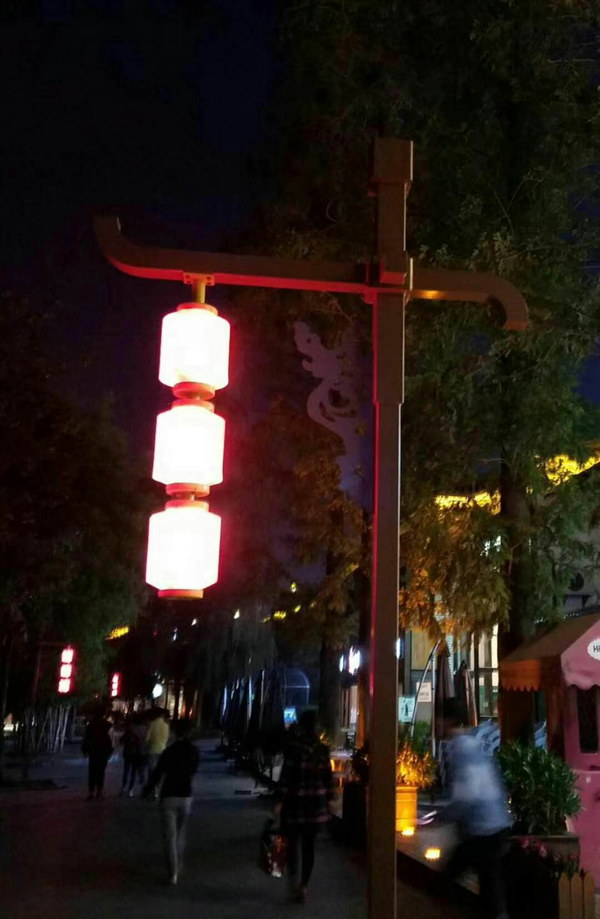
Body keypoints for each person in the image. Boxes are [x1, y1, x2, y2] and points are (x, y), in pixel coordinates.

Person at [442, 698, 511, 919]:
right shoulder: (474, 744)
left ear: (446, 720)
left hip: (481, 828)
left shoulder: (458, 748)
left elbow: (466, 793)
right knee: (490, 888)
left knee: (454, 879)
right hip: (495, 823)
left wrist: (444, 815)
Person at [275, 709, 333, 903]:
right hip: (315, 806)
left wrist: (279, 801)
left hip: (295, 804)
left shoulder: (293, 749)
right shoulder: (322, 750)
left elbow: (286, 777)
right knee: (309, 847)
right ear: (316, 727)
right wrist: (328, 799)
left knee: (292, 845)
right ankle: (304, 885)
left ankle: (293, 880)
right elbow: (327, 779)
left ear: (301, 726)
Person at [144, 718, 200, 885]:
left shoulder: (169, 751)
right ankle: (179, 863)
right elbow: (194, 770)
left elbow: (158, 772)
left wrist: (147, 789)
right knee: (180, 833)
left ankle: (172, 873)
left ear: (175, 732)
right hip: (186, 795)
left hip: (168, 795)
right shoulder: (194, 751)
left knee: (170, 836)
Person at [82, 707, 114, 800]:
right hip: (103, 751)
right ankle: (99, 791)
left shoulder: (91, 724)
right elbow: (112, 740)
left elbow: (86, 738)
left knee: (92, 770)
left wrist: (85, 750)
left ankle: (91, 791)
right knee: (101, 771)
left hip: (93, 750)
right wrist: (111, 751)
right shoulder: (109, 725)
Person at [146, 709, 170, 798]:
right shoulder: (166, 725)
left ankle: (152, 791)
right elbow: (167, 738)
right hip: (162, 750)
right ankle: (157, 790)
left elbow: (147, 738)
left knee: (151, 771)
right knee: (160, 771)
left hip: (152, 750)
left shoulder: (152, 724)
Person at [119, 714, 145, 796]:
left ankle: (123, 788)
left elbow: (123, 739)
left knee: (126, 771)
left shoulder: (131, 728)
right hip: (138, 753)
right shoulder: (144, 729)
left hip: (129, 752)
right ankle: (130, 790)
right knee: (133, 772)